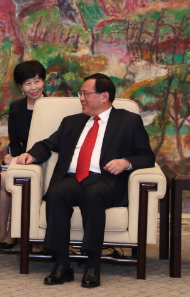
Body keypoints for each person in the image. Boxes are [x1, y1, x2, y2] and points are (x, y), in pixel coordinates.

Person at [17, 73, 155, 288]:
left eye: (85, 94)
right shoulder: (72, 122)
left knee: (94, 195)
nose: (81, 98)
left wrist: (125, 162)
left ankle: (93, 264)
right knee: (55, 193)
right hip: (73, 178)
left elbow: (147, 156)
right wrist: (31, 155)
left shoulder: (128, 121)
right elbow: (47, 144)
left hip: (105, 180)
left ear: (104, 96)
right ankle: (62, 264)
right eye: (80, 94)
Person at [0, 60, 46, 246]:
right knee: (3, 177)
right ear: (20, 86)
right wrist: (11, 156)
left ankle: (13, 231)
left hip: (45, 159)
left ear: (43, 81)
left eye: (37, 81)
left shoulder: (54, 105)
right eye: (27, 83)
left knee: (15, 178)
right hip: (22, 159)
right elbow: (14, 142)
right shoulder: (16, 108)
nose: (33, 87)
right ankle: (1, 230)